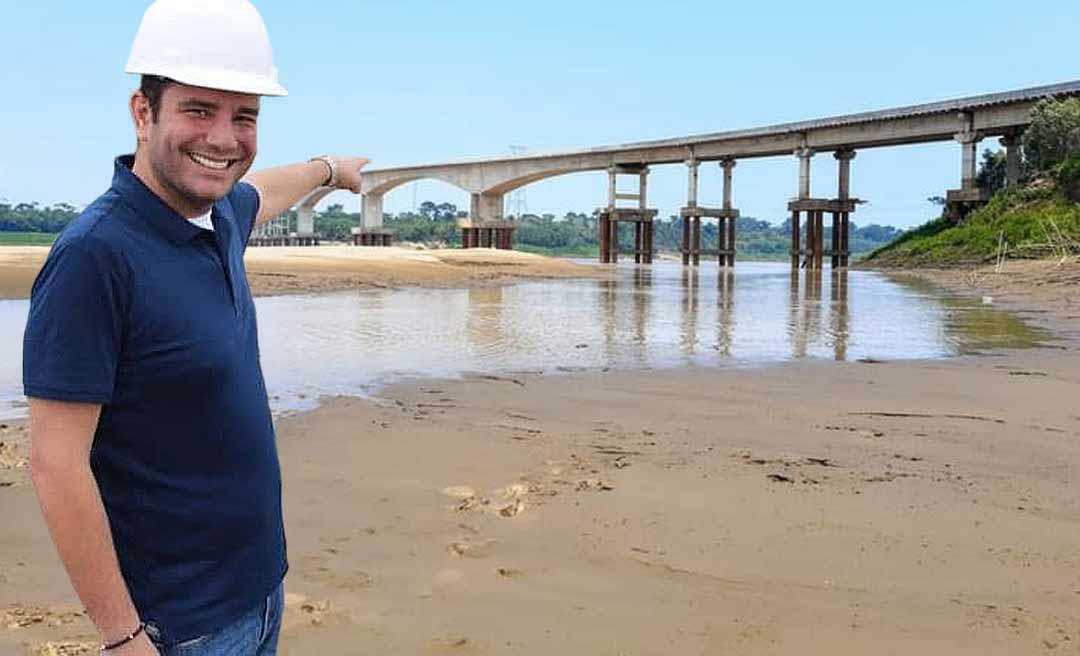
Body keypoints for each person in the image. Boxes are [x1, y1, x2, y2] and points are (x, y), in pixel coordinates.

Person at [22, 1, 368, 653]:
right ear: (143, 113)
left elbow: (264, 188)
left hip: (260, 589)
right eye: (199, 110)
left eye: (245, 116)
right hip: (181, 627)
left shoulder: (222, 215)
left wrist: (330, 168)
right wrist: (123, 637)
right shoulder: (94, 258)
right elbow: (54, 463)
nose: (223, 138)